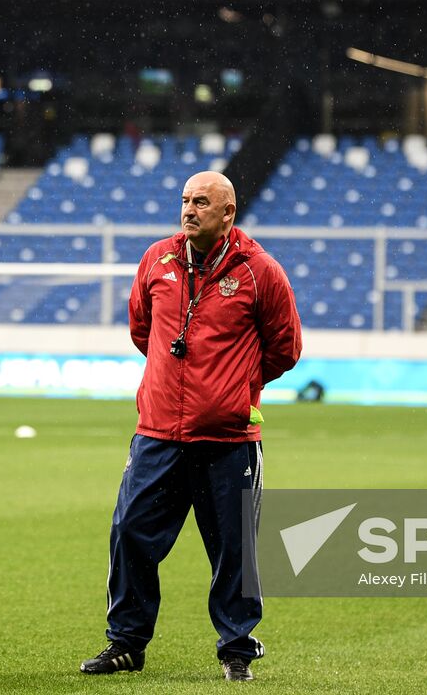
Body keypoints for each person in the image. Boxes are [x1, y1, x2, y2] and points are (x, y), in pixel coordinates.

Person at [81, 171, 301, 683]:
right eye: (184, 200)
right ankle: (127, 643)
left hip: (227, 439)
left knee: (233, 549)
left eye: (201, 202)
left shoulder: (260, 272)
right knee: (130, 532)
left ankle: (237, 649)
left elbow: (286, 348)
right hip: (157, 431)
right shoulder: (156, 259)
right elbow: (141, 328)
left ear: (228, 212)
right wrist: (175, 383)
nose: (189, 210)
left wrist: (232, 386)